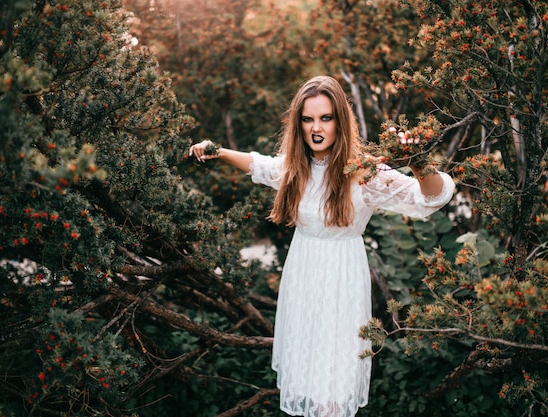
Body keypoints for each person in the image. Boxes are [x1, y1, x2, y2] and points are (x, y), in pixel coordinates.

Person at [188, 75, 455, 417]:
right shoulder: (295, 168)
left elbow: (429, 198)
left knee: (336, 372)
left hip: (342, 280)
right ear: (298, 123)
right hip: (303, 276)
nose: (316, 128)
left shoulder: (364, 172)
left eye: (326, 118)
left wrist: (417, 159)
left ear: (339, 121)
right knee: (308, 367)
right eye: (308, 119)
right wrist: (218, 152)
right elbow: (260, 165)